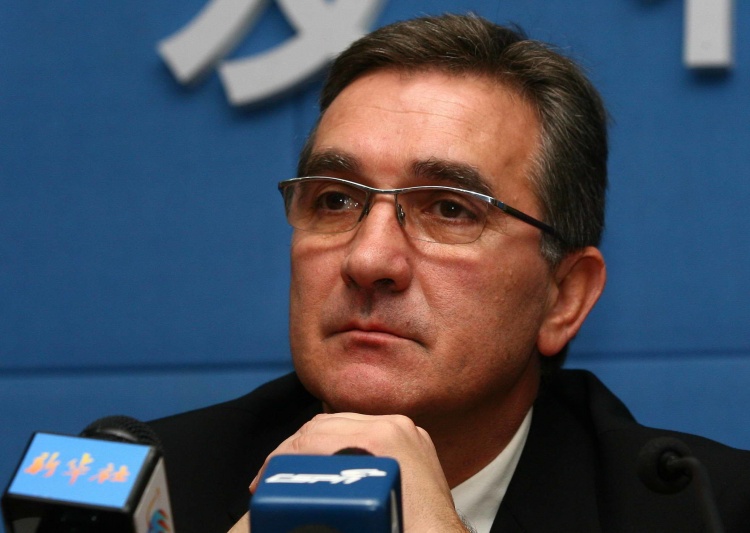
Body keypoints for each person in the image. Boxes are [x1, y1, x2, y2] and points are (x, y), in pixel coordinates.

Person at [150, 13, 750, 533]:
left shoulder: (705, 512)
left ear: (564, 297)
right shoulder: (161, 488)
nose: (367, 260)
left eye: (450, 210)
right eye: (335, 200)